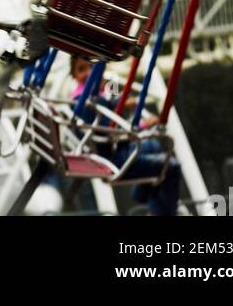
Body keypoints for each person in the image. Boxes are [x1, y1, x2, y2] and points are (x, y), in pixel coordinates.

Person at [69, 54, 181, 216]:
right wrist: (143, 126)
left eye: (92, 67)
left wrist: (123, 102)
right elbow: (110, 133)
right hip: (114, 157)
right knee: (171, 167)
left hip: (112, 148)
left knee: (154, 146)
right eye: (81, 69)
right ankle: (154, 205)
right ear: (73, 75)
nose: (88, 73)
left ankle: (142, 195)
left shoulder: (100, 89)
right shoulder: (87, 101)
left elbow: (113, 101)